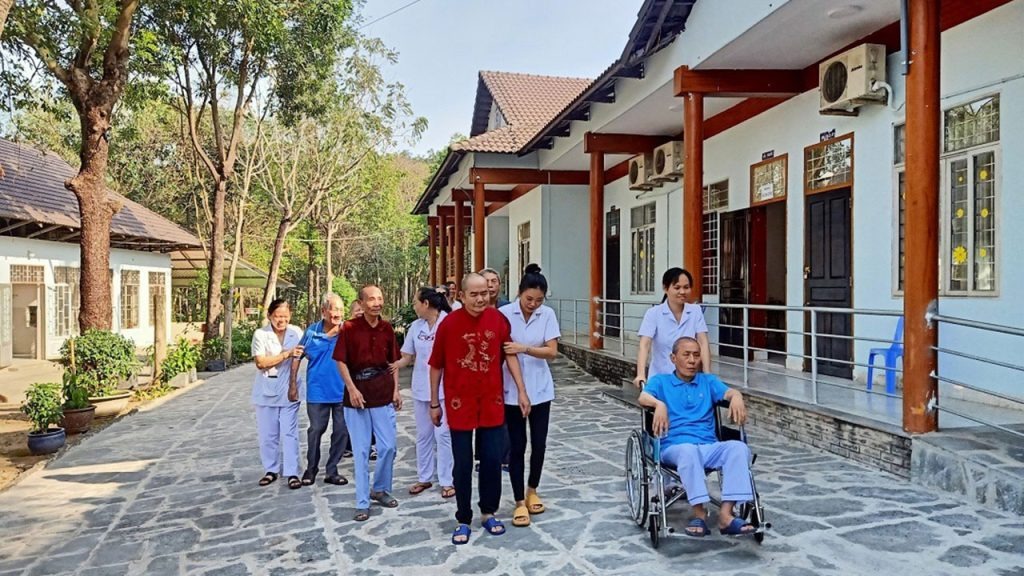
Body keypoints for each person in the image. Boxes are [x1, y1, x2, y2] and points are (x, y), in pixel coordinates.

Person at [429, 272, 530, 545]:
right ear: (461, 296)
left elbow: (510, 355)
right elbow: (436, 365)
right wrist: (434, 403)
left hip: (491, 402)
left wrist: (521, 390)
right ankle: (463, 518)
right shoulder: (449, 324)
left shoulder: (498, 320)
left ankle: (488, 512)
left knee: (492, 460)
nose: (480, 299)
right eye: (473, 294)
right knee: (462, 464)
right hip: (459, 404)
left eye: (484, 293)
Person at [637, 336, 755, 538]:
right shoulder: (661, 382)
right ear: (673, 358)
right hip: (675, 447)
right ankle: (699, 513)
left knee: (739, 448)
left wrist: (737, 396)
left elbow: (728, 392)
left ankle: (726, 515)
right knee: (688, 451)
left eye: (696, 355)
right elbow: (642, 397)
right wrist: (659, 404)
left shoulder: (708, 381)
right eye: (686, 355)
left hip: (708, 445)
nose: (692, 360)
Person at [499, 264, 560, 528]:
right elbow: (504, 350)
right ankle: (518, 501)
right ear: (519, 293)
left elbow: (552, 351)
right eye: (529, 299)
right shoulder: (504, 314)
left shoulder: (547, 315)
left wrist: (524, 348)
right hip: (512, 390)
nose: (533, 304)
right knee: (517, 445)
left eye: (538, 300)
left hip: (541, 389)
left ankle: (532, 489)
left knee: (539, 443)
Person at [333, 285, 401, 521]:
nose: (377, 303)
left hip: (382, 392)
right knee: (361, 451)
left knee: (388, 447)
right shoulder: (349, 328)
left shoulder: (386, 328)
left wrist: (396, 390)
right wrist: (351, 388)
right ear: (361, 303)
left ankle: (380, 488)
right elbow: (340, 361)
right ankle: (362, 501)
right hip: (357, 396)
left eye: (380, 298)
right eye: (371, 299)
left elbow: (393, 362)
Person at [391, 287, 455, 499]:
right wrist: (393, 365)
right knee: (423, 435)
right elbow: (407, 356)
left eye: (415, 303)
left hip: (445, 388)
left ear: (426, 304)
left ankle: (447, 480)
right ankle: (424, 476)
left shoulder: (448, 322)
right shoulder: (415, 327)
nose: (414, 307)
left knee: (443, 434)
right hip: (421, 388)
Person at [292, 293, 349, 487]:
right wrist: (292, 384)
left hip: (343, 391)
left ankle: (332, 470)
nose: (338, 314)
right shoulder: (311, 332)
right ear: (324, 311)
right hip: (318, 391)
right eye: (334, 309)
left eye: (341, 309)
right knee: (316, 429)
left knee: (341, 431)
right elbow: (298, 356)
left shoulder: (347, 331)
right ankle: (311, 468)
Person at [251, 299, 305, 489]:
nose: (281, 320)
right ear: (269, 316)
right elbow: (261, 363)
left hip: (290, 390)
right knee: (268, 435)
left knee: (289, 433)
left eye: (285, 316)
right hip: (266, 392)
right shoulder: (261, 334)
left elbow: (302, 356)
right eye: (277, 316)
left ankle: (292, 472)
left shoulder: (296, 332)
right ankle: (271, 469)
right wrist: (285, 354)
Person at [633, 268, 711, 388]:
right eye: (677, 287)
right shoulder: (653, 313)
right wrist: (641, 374)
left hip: (689, 380)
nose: (682, 292)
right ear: (665, 288)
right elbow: (645, 344)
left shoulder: (695, 311)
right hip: (661, 380)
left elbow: (703, 343)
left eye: (686, 287)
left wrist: (707, 374)